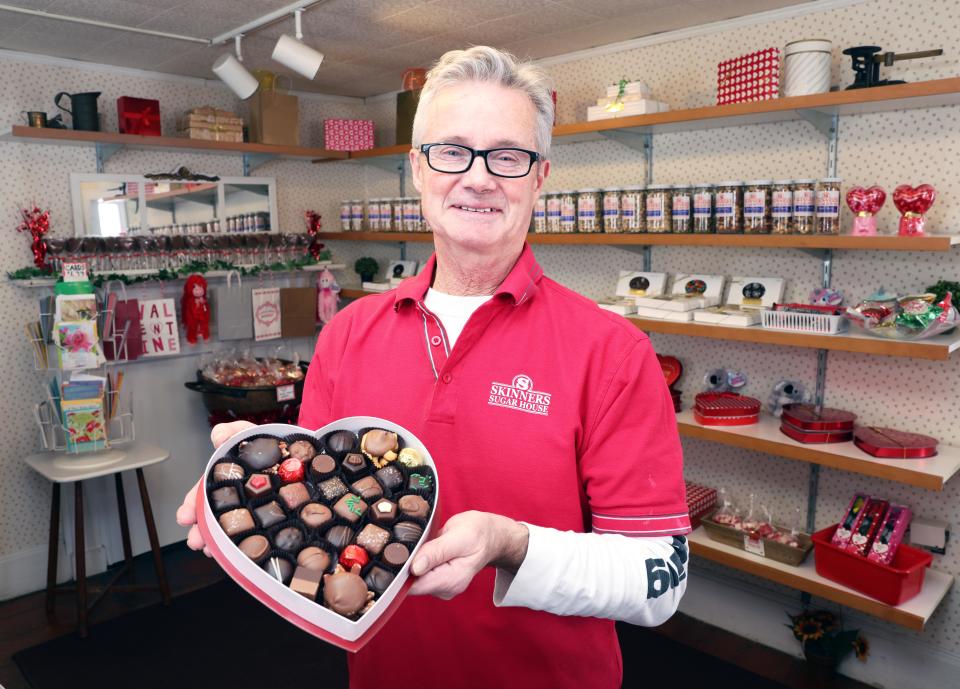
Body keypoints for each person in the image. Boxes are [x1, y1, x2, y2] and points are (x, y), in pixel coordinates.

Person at [178, 46, 690, 689]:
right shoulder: (347, 334)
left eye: (507, 155)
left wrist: (511, 544)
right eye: (452, 151)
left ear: (540, 177)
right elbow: (319, 508)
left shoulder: (612, 352)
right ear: (417, 169)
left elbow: (658, 581)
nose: (477, 178)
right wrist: (250, 487)